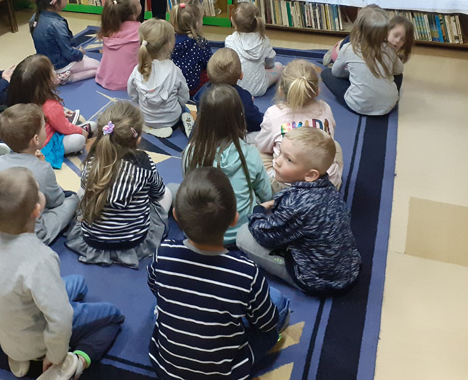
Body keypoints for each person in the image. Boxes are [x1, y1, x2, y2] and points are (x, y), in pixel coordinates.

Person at [0, 168, 124, 379]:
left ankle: (19, 354)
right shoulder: (40, 259)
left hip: (7, 334)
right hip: (38, 343)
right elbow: (61, 319)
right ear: (37, 211)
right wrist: (55, 354)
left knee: (79, 282)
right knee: (113, 315)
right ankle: (73, 363)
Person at [148, 166, 290, 380]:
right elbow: (266, 323)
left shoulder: (163, 253)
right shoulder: (246, 272)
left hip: (165, 367)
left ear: (175, 216)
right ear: (234, 219)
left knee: (161, 306)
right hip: (225, 373)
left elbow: (154, 287)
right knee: (278, 304)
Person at [237, 127, 361, 297]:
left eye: (289, 159)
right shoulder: (328, 188)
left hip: (318, 281)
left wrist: (258, 212)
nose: (277, 161)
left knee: (243, 235)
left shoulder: (295, 205)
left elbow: (264, 235)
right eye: (280, 153)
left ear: (310, 175)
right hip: (350, 268)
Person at [66, 101, 173, 268]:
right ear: (137, 137)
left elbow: (86, 188)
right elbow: (158, 192)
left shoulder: (92, 160)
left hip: (93, 240)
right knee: (167, 193)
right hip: (132, 241)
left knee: (81, 191)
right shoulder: (143, 163)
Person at [0, 104, 78, 244]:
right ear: (36, 139)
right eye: (44, 127)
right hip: (27, 236)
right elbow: (56, 201)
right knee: (71, 199)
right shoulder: (43, 169)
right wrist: (43, 165)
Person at [182, 85, 271, 246]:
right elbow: (266, 194)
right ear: (239, 118)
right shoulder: (249, 153)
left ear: (201, 118)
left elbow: (189, 186)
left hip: (201, 231)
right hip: (241, 232)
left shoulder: (191, 152)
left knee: (175, 190)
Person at [256, 59, 343, 191]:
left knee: (255, 152)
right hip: (327, 184)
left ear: (281, 90)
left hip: (286, 187)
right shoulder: (325, 108)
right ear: (317, 91)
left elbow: (263, 146)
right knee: (335, 146)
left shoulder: (274, 113)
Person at [6, 55, 96, 167]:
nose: (54, 70)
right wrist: (81, 131)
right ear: (45, 81)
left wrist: (60, 114)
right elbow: (64, 128)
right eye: (52, 69)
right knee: (80, 138)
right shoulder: (51, 105)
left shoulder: (21, 100)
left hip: (26, 145)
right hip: (45, 145)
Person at [321, 5, 404, 115]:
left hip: (358, 105)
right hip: (389, 106)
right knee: (398, 75)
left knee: (326, 73)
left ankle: (362, 90)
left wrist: (352, 73)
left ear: (358, 28)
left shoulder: (348, 48)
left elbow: (336, 73)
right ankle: (387, 96)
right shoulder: (390, 49)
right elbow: (399, 71)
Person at [127, 18, 193, 139]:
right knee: (185, 110)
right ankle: (186, 125)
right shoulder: (174, 70)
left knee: (139, 110)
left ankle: (149, 127)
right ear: (169, 45)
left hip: (146, 118)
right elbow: (184, 96)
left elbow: (132, 93)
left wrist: (139, 103)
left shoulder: (138, 69)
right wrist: (179, 104)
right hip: (171, 120)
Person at [30, 0, 99, 84]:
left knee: (87, 62)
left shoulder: (34, 18)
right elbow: (69, 54)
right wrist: (80, 53)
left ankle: (55, 75)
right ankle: (65, 77)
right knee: (99, 67)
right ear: (55, 2)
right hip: (61, 65)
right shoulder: (57, 24)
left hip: (45, 64)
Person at [193, 48, 263, 135]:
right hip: (230, 138)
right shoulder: (243, 97)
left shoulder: (203, 91)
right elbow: (257, 122)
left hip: (204, 135)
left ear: (208, 75)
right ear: (241, 75)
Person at [225, 2, 283, 97]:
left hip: (236, 87)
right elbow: (270, 64)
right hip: (259, 88)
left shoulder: (230, 40)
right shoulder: (264, 41)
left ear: (234, 23)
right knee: (279, 66)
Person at [95, 0, 142, 90]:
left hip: (105, 79)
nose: (139, 0)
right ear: (134, 15)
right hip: (130, 82)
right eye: (137, 2)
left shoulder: (109, 28)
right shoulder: (140, 30)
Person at [170, 0, 212, 96]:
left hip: (172, 85)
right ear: (197, 23)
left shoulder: (168, 41)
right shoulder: (200, 43)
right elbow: (209, 63)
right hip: (192, 87)